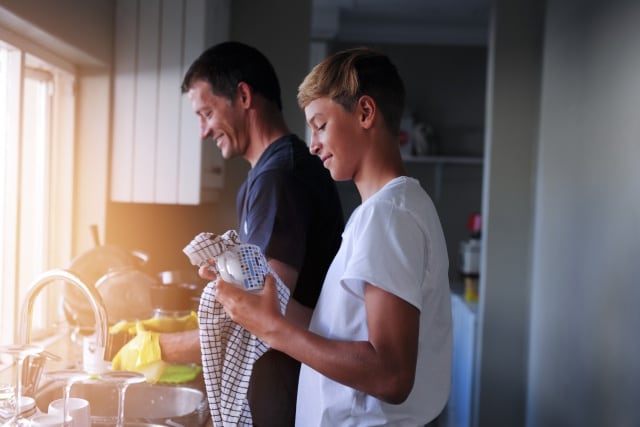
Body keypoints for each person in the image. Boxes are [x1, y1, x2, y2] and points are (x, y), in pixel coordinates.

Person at [213, 47, 453, 426]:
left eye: (320, 125)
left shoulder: (387, 215)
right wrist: (260, 305)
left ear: (365, 113)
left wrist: (274, 330)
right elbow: (339, 332)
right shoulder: (386, 210)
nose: (313, 144)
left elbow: (391, 376)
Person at [159, 41, 344, 426]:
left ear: (243, 96)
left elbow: (263, 313)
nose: (203, 130)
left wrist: (161, 347)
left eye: (207, 113)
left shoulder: (279, 178)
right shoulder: (267, 175)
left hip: (282, 397)